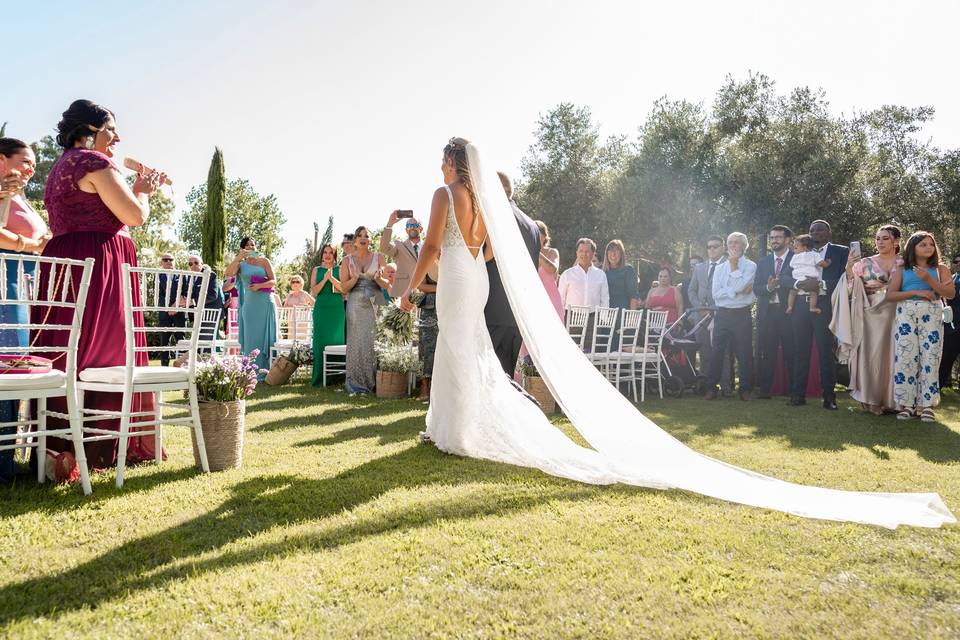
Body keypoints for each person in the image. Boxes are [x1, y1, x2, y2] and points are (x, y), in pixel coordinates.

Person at [396, 137, 952, 529]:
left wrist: (411, 286)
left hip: (455, 279)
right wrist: (463, 260)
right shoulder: (487, 207)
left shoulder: (446, 195)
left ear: (452, 163)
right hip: (475, 275)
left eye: (442, 162)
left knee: (456, 348)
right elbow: (488, 251)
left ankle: (449, 429)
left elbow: (427, 250)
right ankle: (454, 428)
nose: (441, 169)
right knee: (467, 352)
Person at [34, 99, 165, 470]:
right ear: (89, 132)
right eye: (111, 130)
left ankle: (59, 447)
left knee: (67, 348)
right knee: (106, 349)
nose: (117, 137)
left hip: (63, 262)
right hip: (100, 262)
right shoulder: (94, 162)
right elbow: (134, 216)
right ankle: (101, 446)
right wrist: (143, 190)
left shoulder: (57, 168)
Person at [0, 138, 52, 483]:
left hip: (25, 287)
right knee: (5, 367)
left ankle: (10, 459)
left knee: (19, 366)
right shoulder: (4, 192)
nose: (32, 167)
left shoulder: (19, 196)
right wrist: (30, 244)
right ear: (2, 159)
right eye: (25, 160)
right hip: (6, 282)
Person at [832, 225, 903, 415]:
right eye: (878, 238)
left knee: (897, 355)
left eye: (885, 238)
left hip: (900, 314)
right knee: (871, 356)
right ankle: (871, 400)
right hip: (870, 315)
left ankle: (896, 402)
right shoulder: (863, 263)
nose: (880, 242)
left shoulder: (906, 263)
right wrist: (848, 269)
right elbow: (848, 289)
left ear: (896, 241)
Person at [885, 232, 955, 422]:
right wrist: (916, 291)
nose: (928, 247)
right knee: (906, 357)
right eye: (923, 244)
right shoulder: (902, 269)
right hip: (906, 314)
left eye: (931, 244)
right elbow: (890, 296)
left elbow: (950, 293)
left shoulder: (941, 269)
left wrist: (929, 280)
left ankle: (927, 406)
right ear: (912, 247)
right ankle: (907, 405)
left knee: (930, 358)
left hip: (932, 313)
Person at [783, 220, 849, 410]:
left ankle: (829, 397)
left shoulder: (841, 251)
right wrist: (798, 285)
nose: (815, 233)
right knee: (799, 350)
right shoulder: (798, 252)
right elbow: (786, 277)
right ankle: (798, 395)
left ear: (829, 231)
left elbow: (846, 277)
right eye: (812, 230)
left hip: (824, 306)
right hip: (800, 308)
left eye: (820, 229)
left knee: (825, 351)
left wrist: (820, 285)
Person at [482, 171, 540, 377]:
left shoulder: (493, 217)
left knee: (487, 375)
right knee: (505, 375)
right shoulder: (532, 226)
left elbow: (481, 260)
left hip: (491, 308)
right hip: (517, 312)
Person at [704, 232, 756, 401]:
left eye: (737, 243)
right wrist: (736, 291)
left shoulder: (750, 266)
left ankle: (745, 389)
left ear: (744, 246)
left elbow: (746, 291)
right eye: (731, 242)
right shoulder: (719, 268)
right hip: (723, 315)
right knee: (717, 352)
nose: (733, 245)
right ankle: (711, 388)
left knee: (744, 353)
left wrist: (734, 267)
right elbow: (716, 295)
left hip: (742, 315)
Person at [224, 237, 277, 380]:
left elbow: (274, 281)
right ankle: (250, 371)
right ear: (242, 248)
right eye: (247, 245)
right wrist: (238, 258)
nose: (250, 247)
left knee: (265, 337)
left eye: (252, 244)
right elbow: (228, 274)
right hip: (249, 305)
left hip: (265, 302)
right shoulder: (240, 264)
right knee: (250, 337)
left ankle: (268, 371)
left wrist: (260, 286)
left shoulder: (264, 261)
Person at [340, 225, 384, 395]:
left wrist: (379, 279)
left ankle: (376, 383)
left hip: (376, 299)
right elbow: (344, 288)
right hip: (355, 302)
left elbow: (388, 284)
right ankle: (356, 383)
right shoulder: (347, 260)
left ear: (370, 240)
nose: (363, 238)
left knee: (375, 341)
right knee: (357, 342)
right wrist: (356, 277)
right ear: (355, 241)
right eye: (360, 235)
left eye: (367, 235)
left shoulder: (379, 257)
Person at [752, 225, 796, 399]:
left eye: (778, 237)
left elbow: (798, 282)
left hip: (788, 312)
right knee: (767, 352)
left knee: (791, 351)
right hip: (767, 313)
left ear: (787, 240)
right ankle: (765, 390)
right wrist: (768, 287)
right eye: (772, 238)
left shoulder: (796, 259)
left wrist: (782, 283)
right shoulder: (763, 262)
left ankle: (795, 391)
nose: (774, 241)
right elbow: (756, 288)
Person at [309, 243, 345, 386]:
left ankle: (337, 377)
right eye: (325, 252)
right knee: (320, 342)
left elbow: (343, 289)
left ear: (335, 255)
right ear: (322, 254)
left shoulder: (340, 269)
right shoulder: (316, 270)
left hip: (336, 309)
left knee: (336, 341)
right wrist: (325, 278)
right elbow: (315, 291)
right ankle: (319, 378)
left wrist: (331, 278)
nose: (327, 255)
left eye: (331, 252)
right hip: (321, 308)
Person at [180, 253, 224, 342]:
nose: (193, 265)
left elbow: (212, 295)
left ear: (202, 264)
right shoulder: (189, 277)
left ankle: (206, 356)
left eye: (196, 263)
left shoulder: (210, 275)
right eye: (190, 264)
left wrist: (192, 302)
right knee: (196, 341)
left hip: (210, 313)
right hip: (197, 314)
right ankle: (198, 355)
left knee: (205, 342)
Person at [379, 213, 423, 298]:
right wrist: (390, 224)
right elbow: (384, 248)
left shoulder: (427, 246)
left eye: (415, 225)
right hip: (405, 293)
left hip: (426, 295)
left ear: (421, 229)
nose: (412, 227)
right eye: (409, 225)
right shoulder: (399, 246)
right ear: (406, 229)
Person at [558, 238, 609, 309]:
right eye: (581, 251)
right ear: (577, 253)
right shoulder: (567, 274)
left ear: (593, 254)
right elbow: (560, 300)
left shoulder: (601, 275)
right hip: (571, 317)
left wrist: (603, 319)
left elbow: (605, 300)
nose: (584, 254)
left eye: (587, 251)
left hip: (593, 317)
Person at [786, 235, 830, 315]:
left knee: (792, 293)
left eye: (796, 248)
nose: (794, 250)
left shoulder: (794, 257)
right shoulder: (814, 255)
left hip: (797, 280)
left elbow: (791, 266)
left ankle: (790, 306)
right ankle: (812, 307)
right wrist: (827, 263)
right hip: (810, 279)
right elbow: (821, 264)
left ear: (805, 247)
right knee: (814, 293)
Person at [416, 265, 440, 401]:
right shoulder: (427, 257)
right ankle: (424, 386)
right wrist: (440, 288)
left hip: (452, 305)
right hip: (430, 308)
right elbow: (420, 285)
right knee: (427, 346)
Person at [156, 253, 184, 366]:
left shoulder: (182, 275)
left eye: (170, 259)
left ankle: (182, 365)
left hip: (179, 312)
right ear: (161, 262)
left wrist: (176, 306)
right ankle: (164, 367)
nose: (168, 261)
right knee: (164, 341)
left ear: (174, 261)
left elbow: (185, 292)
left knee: (181, 340)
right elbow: (159, 295)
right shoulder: (158, 276)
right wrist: (168, 308)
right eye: (165, 259)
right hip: (165, 313)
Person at [937, 254, 960, 392]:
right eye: (956, 261)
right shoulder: (951, 279)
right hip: (952, 324)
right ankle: (940, 384)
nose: (958, 263)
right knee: (946, 356)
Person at [603, 239, 640, 312]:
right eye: (610, 250)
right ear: (606, 254)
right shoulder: (602, 272)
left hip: (622, 313)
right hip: (604, 315)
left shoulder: (628, 270)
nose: (613, 254)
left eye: (616, 250)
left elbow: (633, 295)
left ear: (621, 253)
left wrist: (632, 316)